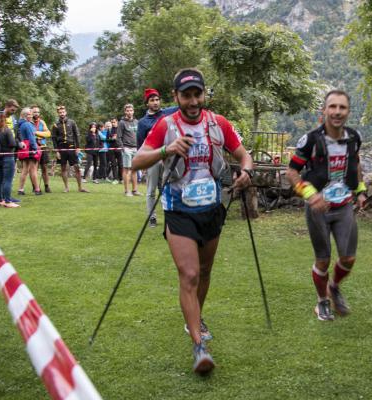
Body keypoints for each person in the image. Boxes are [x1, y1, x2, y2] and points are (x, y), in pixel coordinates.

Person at [132, 68, 253, 374]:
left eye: (197, 94)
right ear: (176, 97)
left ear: (203, 94)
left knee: (206, 271)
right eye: (186, 95)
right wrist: (165, 149)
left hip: (211, 209)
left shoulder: (218, 123)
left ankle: (195, 319)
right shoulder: (166, 125)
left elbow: (243, 154)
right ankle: (199, 347)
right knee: (190, 274)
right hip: (179, 210)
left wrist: (246, 172)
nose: (193, 100)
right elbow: (136, 161)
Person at [286, 89, 367, 322]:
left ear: (348, 112)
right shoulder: (311, 140)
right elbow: (291, 172)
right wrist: (310, 195)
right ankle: (322, 302)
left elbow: (356, 163)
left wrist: (360, 190)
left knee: (349, 258)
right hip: (318, 209)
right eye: (332, 107)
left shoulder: (354, 137)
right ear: (324, 110)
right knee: (323, 259)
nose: (337, 112)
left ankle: (334, 287)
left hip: (343, 206)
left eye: (342, 107)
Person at [138, 88, 178, 227]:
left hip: (168, 157)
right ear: (147, 103)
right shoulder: (143, 122)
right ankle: (152, 218)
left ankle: (170, 215)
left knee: (168, 187)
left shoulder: (167, 113)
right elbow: (140, 144)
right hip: (153, 158)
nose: (155, 102)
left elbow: (182, 105)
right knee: (151, 190)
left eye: (157, 99)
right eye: (152, 100)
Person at [51, 105, 88, 193]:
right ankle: (66, 188)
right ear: (58, 114)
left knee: (76, 167)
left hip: (71, 147)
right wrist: (57, 151)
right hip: (61, 148)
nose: (62, 114)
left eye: (63, 112)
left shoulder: (72, 122)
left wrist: (78, 147)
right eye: (60, 113)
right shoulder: (55, 125)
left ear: (66, 112)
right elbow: (53, 138)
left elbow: (77, 135)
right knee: (63, 168)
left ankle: (80, 188)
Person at [0, 113, 20, 208]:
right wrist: (18, 143)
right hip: (8, 157)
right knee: (7, 180)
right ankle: (7, 201)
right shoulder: (7, 131)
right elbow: (12, 144)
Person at [16, 108, 41, 195]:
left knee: (25, 169)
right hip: (30, 148)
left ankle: (21, 189)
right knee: (33, 169)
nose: (31, 116)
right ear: (26, 116)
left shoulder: (20, 124)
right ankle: (37, 190)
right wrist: (34, 149)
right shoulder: (28, 124)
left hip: (24, 149)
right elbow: (31, 138)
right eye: (30, 114)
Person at [118, 104, 140, 196]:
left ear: (133, 111)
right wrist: (123, 148)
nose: (129, 112)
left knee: (135, 170)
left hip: (136, 148)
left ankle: (135, 190)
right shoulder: (122, 122)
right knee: (126, 170)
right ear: (125, 112)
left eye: (131, 110)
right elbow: (118, 137)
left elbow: (139, 135)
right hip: (127, 148)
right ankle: (127, 191)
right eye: (128, 111)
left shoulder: (136, 121)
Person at [31, 105, 52, 193]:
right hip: (32, 147)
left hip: (43, 146)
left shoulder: (42, 122)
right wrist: (39, 134)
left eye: (38, 112)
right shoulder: (29, 122)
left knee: (44, 168)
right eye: (35, 112)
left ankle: (46, 186)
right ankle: (35, 186)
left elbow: (48, 133)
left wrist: (36, 133)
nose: (36, 113)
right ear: (31, 112)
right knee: (33, 168)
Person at [106, 117, 121, 184]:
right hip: (111, 149)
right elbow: (107, 140)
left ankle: (121, 178)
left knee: (121, 164)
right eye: (112, 122)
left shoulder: (120, 129)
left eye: (114, 122)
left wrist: (117, 138)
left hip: (119, 148)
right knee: (113, 164)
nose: (113, 123)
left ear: (117, 122)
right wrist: (112, 138)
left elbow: (123, 138)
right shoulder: (109, 130)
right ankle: (115, 179)